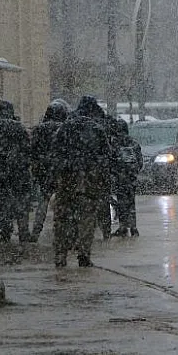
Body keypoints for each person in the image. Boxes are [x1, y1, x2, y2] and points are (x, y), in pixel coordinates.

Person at [50, 95, 113, 267]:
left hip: (67, 177)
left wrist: (61, 172)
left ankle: (60, 255)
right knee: (87, 217)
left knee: (62, 217)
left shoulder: (65, 127)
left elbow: (54, 153)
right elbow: (107, 157)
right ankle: (84, 254)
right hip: (90, 178)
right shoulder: (97, 129)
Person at [0, 101, 33, 243]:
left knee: (2, 200)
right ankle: (23, 231)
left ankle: (5, 229)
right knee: (21, 201)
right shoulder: (19, 127)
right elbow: (27, 149)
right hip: (19, 171)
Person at [29, 99, 71, 242]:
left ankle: (36, 232)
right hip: (61, 170)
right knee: (64, 201)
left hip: (44, 171)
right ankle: (62, 231)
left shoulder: (39, 129)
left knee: (43, 201)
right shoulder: (66, 128)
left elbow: (32, 150)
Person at [111, 118, 143, 237]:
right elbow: (140, 162)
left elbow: (111, 160)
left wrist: (114, 173)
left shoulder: (114, 144)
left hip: (120, 178)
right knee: (131, 202)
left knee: (121, 202)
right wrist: (134, 173)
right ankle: (133, 227)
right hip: (131, 179)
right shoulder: (133, 143)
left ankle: (123, 226)